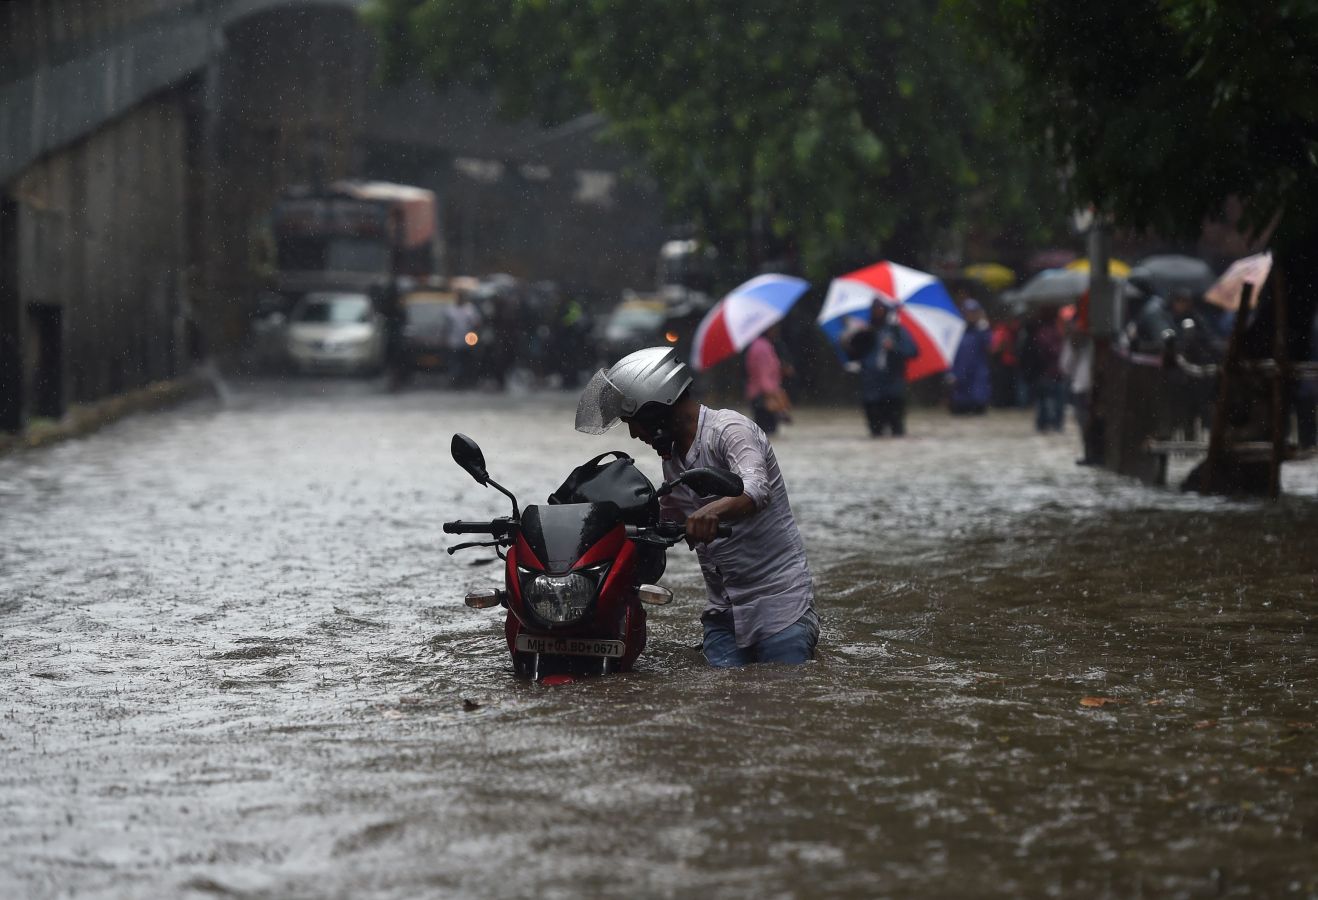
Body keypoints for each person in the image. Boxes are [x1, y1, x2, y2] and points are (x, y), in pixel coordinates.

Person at [575, 346, 819, 667]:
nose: (634, 434)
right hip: (723, 616)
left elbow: (757, 490)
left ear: (657, 409)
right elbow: (665, 521)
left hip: (781, 609)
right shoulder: (673, 460)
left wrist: (712, 512)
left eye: (634, 422)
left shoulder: (730, 430)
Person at [846, 300, 918, 436]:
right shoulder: (863, 331)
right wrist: (850, 341)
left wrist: (894, 347)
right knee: (875, 432)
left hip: (893, 388)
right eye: (874, 308)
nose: (877, 311)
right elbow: (853, 356)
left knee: (897, 431)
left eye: (880, 308)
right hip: (871, 390)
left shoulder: (897, 331)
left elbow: (913, 351)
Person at [947, 299, 992, 415]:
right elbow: (950, 353)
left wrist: (984, 327)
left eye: (973, 312)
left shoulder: (982, 331)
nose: (970, 315)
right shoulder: (957, 331)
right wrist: (950, 372)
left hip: (977, 378)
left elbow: (990, 347)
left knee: (978, 409)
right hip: (960, 378)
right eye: (968, 312)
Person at [744, 324, 790, 436]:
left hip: (759, 395)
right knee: (767, 434)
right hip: (763, 397)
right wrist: (773, 396)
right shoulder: (762, 348)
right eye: (773, 328)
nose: (776, 330)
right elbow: (763, 375)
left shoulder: (759, 345)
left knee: (762, 434)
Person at [1032, 308, 1066, 432]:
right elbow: (1052, 351)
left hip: (1050, 373)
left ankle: (1048, 425)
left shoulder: (1044, 332)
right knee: (1049, 401)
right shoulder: (1050, 333)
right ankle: (1050, 425)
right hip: (1049, 373)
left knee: (1048, 402)